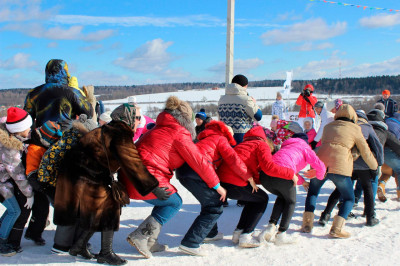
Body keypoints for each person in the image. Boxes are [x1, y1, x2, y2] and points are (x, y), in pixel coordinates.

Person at [53, 103, 160, 265]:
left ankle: (79, 245)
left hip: (79, 174)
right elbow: (132, 162)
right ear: (128, 118)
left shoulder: (109, 129)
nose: (140, 121)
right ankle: (105, 253)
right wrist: (154, 187)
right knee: (110, 207)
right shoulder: (120, 133)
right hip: (84, 175)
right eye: (137, 117)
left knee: (99, 209)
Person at [122, 96, 225, 259]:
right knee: (175, 202)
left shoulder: (157, 128)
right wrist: (217, 186)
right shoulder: (179, 132)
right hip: (147, 180)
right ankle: (141, 236)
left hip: (130, 178)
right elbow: (199, 162)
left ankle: (150, 241)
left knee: (166, 202)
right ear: (186, 119)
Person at [302, 104, 378, 238]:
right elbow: (365, 152)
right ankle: (337, 228)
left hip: (320, 164)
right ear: (353, 116)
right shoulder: (355, 129)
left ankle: (307, 224)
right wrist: (374, 167)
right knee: (349, 197)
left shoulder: (328, 126)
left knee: (313, 192)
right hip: (340, 166)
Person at [176, 121, 249, 256]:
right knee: (214, 207)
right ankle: (191, 243)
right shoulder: (220, 138)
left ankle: (210, 233)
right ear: (227, 135)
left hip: (184, 172)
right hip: (197, 172)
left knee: (209, 202)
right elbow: (233, 159)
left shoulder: (205, 139)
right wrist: (247, 176)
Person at [217, 126, 295, 248]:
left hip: (223, 183)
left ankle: (239, 232)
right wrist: (291, 174)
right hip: (235, 182)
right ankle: (246, 235)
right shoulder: (261, 144)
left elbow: (251, 170)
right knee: (262, 199)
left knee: (253, 199)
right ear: (266, 138)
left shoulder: (243, 144)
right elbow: (268, 167)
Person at [259, 131, 326, 245]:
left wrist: (303, 182)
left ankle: (271, 226)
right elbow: (320, 166)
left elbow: (288, 167)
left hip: (265, 177)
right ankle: (282, 234)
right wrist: (318, 175)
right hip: (283, 175)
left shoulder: (284, 148)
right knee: (291, 201)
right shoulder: (305, 148)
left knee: (283, 196)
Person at [318, 110, 383, 227]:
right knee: (367, 188)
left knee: (340, 189)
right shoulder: (367, 127)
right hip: (364, 165)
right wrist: (378, 164)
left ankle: (325, 215)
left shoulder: (346, 127)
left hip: (349, 163)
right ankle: (370, 217)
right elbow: (377, 147)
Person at [0, 107, 34, 257]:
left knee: (11, 210)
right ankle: (1, 242)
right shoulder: (9, 149)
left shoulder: (8, 135)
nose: (30, 129)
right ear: (18, 130)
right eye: (28, 127)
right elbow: (17, 175)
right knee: (15, 211)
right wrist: (29, 194)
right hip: (1, 184)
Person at [24, 59, 94, 128]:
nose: (69, 75)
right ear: (63, 72)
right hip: (65, 136)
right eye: (66, 71)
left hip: (42, 136)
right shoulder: (71, 91)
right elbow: (89, 113)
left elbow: (27, 120)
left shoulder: (33, 93)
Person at [218, 74, 262, 144]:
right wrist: (254, 104)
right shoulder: (246, 99)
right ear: (245, 86)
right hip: (241, 138)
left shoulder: (221, 99)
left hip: (225, 137)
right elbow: (258, 116)